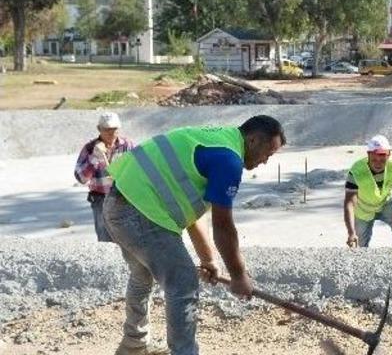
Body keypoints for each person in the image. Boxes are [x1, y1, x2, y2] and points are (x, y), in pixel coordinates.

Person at [103, 115, 285, 355]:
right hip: (140, 213)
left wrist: (208, 259)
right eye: (268, 153)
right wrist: (239, 275)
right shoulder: (229, 160)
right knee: (183, 281)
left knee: (142, 275)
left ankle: (133, 345)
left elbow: (192, 210)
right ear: (252, 140)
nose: (265, 161)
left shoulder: (217, 140)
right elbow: (223, 225)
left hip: (120, 204)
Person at [73, 111, 134, 242]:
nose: (111, 133)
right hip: (100, 199)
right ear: (99, 129)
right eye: (106, 129)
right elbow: (80, 178)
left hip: (124, 198)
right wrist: (94, 159)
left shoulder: (128, 146)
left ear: (119, 128)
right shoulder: (90, 148)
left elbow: (138, 170)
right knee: (105, 239)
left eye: (114, 129)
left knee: (127, 238)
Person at [343, 135, 392, 248]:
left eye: (382, 159)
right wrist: (351, 233)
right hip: (363, 209)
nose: (378, 163)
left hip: (386, 202)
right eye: (374, 159)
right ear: (368, 155)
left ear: (389, 155)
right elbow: (349, 203)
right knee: (358, 246)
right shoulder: (356, 171)